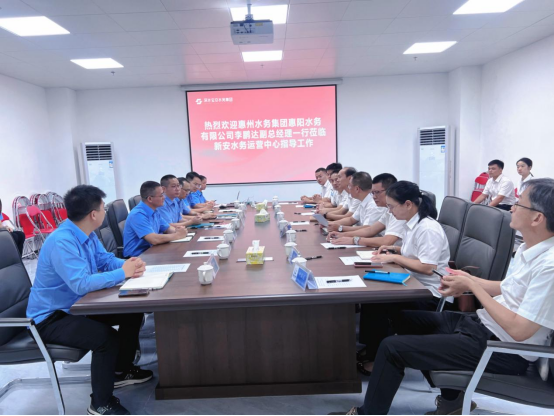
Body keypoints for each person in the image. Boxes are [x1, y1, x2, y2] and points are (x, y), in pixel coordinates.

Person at [331, 178, 554, 416]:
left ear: (537, 218)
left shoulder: (549, 266)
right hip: (483, 325)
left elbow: (520, 330)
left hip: (504, 349)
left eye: (519, 203)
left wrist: (473, 285)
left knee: (392, 348)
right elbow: (507, 288)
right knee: (400, 320)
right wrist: (466, 280)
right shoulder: (528, 249)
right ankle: (452, 401)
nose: (512, 207)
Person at [26, 185, 152, 416]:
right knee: (105, 338)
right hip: (51, 318)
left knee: (132, 312)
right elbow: (81, 284)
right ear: (94, 214)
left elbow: (105, 260)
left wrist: (130, 265)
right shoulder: (62, 242)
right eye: (104, 208)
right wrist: (123, 273)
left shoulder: (86, 234)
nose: (105, 212)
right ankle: (100, 403)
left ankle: (120, 371)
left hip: (77, 306)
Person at [355, 181, 451, 376]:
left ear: (408, 204)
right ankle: (372, 349)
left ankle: (378, 358)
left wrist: (394, 258)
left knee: (378, 303)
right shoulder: (412, 223)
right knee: (372, 298)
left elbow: (428, 268)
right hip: (412, 282)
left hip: (429, 293)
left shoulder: (427, 229)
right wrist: (395, 249)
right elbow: (414, 252)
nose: (389, 211)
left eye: (391, 206)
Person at [328, 174, 405, 248]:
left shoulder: (400, 211)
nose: (374, 196)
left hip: (390, 250)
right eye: (373, 192)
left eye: (377, 192)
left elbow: (387, 241)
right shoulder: (388, 210)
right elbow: (370, 230)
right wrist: (343, 235)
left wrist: (354, 240)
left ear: (390, 191)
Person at [123, 181, 189, 258]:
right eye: (161, 195)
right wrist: (177, 235)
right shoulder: (138, 214)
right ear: (150, 199)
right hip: (137, 257)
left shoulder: (155, 210)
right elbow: (153, 239)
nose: (164, 197)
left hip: (152, 251)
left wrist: (179, 230)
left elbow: (167, 228)